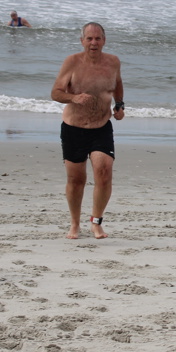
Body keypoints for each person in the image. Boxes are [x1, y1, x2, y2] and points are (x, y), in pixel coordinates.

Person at [50, 22, 125, 239]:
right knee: (76, 180)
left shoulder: (113, 62)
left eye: (98, 38)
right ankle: (75, 224)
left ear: (104, 40)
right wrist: (74, 98)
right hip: (74, 128)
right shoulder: (72, 62)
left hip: (101, 126)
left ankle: (96, 222)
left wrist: (119, 105)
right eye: (89, 38)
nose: (94, 42)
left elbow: (117, 84)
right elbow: (55, 92)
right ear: (82, 41)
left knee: (104, 172)